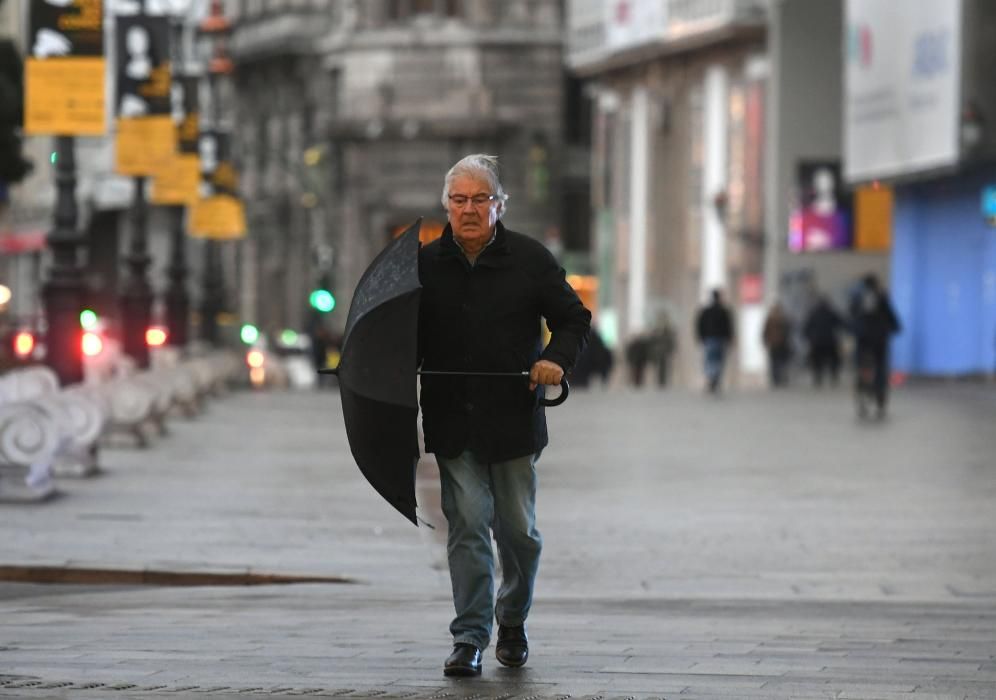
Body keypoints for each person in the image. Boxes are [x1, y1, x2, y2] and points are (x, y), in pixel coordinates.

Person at [417, 154, 591, 677]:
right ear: (446, 206)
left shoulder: (530, 259)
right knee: (467, 522)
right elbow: (405, 336)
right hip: (452, 418)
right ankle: (469, 634)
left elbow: (572, 318)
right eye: (459, 200)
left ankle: (511, 621)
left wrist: (554, 360)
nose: (469, 210)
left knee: (517, 531)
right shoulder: (425, 265)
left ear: (499, 205)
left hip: (514, 417)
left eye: (480, 199)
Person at [849, 274, 900, 418]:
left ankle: (861, 388)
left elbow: (852, 315)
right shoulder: (881, 297)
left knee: (861, 365)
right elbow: (891, 316)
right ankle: (879, 393)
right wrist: (895, 327)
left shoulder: (857, 298)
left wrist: (855, 329)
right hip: (879, 339)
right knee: (880, 366)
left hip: (863, 339)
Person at [695, 289, 734, 393]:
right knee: (718, 360)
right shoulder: (723, 310)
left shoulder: (706, 311)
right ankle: (715, 379)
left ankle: (711, 378)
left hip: (710, 339)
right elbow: (729, 326)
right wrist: (729, 338)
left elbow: (700, 325)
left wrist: (701, 337)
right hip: (719, 339)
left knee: (710, 360)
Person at [803, 294, 844, 387]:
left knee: (817, 361)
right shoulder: (831, 312)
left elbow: (807, 327)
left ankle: (818, 377)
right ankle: (833, 376)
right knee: (833, 360)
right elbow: (841, 323)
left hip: (817, 341)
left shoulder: (814, 313)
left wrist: (809, 338)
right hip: (829, 341)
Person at [762, 301, 792, 388]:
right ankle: (780, 378)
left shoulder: (771, 319)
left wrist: (765, 340)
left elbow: (765, 331)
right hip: (781, 343)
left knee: (775, 362)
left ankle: (776, 379)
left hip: (774, 344)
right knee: (781, 362)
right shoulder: (783, 319)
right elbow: (788, 331)